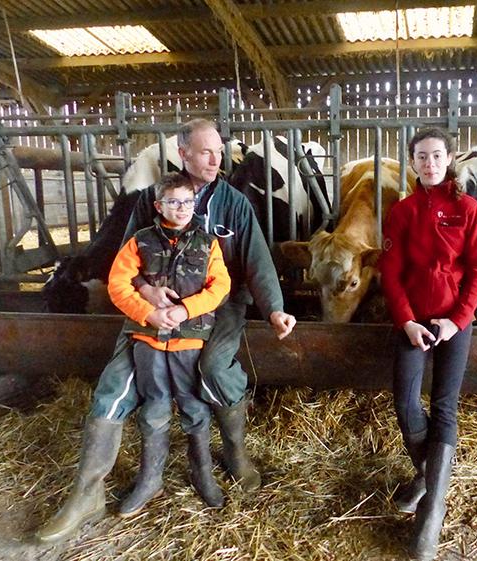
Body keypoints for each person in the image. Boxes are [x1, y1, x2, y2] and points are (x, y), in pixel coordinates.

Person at [35, 119, 296, 543]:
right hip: (154, 305)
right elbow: (127, 258)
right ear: (184, 153)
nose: (216, 160)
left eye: (219, 151)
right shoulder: (151, 200)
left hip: (217, 304)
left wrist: (276, 311)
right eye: (206, 152)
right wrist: (145, 292)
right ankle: (87, 495)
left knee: (213, 368)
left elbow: (257, 262)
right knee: (115, 381)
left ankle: (236, 455)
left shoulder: (234, 203)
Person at [378, 127, 477, 561]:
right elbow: (390, 272)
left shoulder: (469, 208)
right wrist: (406, 321)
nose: (430, 163)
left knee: (444, 405)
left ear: (449, 158)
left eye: (437, 155)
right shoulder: (402, 211)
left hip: (454, 323)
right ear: (412, 162)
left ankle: (432, 513)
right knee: (405, 402)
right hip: (412, 323)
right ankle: (429, 477)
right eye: (421, 156)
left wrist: (456, 321)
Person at [107, 172, 230, 516]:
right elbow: (118, 284)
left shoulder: (207, 243)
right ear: (159, 205)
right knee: (155, 402)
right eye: (173, 202)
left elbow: (220, 287)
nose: (181, 208)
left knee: (193, 403)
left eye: (188, 201)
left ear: (196, 204)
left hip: (189, 338)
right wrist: (148, 314)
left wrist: (185, 309)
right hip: (148, 338)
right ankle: (150, 478)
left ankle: (202, 473)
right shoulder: (140, 241)